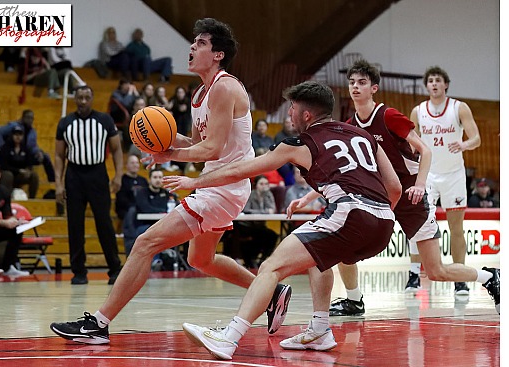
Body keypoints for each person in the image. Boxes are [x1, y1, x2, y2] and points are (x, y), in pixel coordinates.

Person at [50, 18, 292, 344]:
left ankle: (98, 323)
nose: (192, 47)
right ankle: (270, 291)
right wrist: (163, 143)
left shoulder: (225, 86)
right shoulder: (200, 94)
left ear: (218, 54)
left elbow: (214, 147)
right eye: (193, 42)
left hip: (223, 186)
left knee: (144, 243)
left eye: (201, 43)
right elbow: (197, 145)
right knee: (199, 259)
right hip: (216, 182)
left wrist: (173, 157)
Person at [164, 80, 403, 360]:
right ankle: (319, 329)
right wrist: (371, 220)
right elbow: (394, 188)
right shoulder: (361, 135)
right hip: (385, 219)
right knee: (317, 255)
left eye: (292, 108)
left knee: (271, 268)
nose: (289, 114)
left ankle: (229, 337)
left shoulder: (299, 143)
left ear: (306, 115)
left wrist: (196, 181)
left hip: (349, 214)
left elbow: (241, 169)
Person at [299, 60, 499, 323]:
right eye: (352, 83)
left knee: (436, 271)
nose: (355, 87)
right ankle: (354, 299)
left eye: (361, 83)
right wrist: (308, 196)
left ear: (374, 88)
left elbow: (425, 151)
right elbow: (342, 172)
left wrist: (419, 184)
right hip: (379, 198)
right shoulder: (350, 126)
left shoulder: (389, 116)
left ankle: (490, 278)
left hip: (411, 196)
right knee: (345, 244)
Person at [411, 66, 482, 295]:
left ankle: (459, 278)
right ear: (427, 85)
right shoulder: (418, 111)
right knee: (418, 224)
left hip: (454, 175)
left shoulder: (459, 107)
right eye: (430, 80)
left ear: (446, 84)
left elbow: (476, 138)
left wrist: (464, 144)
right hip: (428, 175)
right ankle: (413, 274)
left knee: (456, 228)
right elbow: (412, 144)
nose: (433, 84)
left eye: (438, 80)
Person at [53, 85, 123, 285]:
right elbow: (58, 155)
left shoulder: (104, 120)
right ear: (75, 99)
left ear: (92, 99)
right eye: (80, 97)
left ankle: (115, 268)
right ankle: (79, 272)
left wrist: (118, 175)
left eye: (86, 97)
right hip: (74, 175)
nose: (83, 101)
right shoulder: (65, 123)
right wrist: (58, 184)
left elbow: (117, 150)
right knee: (75, 225)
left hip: (97, 174)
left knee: (104, 224)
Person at [0, 109, 55, 184]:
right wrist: (3, 146)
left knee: (46, 157)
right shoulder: (13, 126)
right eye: (28, 117)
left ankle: (53, 182)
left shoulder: (33, 131)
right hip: (12, 153)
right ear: (22, 117)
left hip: (26, 154)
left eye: (32, 118)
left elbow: (33, 146)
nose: (30, 120)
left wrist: (39, 152)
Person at [130, 168, 180, 261]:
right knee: (152, 233)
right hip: (144, 225)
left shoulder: (167, 193)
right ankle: (155, 260)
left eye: (160, 177)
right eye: (155, 177)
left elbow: (175, 206)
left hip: (164, 225)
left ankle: (173, 260)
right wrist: (162, 212)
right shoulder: (142, 193)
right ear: (150, 179)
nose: (158, 180)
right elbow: (145, 208)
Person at [234, 175, 279, 268]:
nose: (264, 186)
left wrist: (266, 201)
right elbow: (246, 210)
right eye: (261, 184)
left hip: (260, 225)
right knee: (260, 236)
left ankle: (262, 260)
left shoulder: (268, 194)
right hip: (247, 225)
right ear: (256, 185)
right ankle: (250, 260)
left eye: (266, 184)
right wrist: (265, 212)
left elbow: (273, 209)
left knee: (273, 236)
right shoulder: (251, 194)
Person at [0, 124, 40, 199]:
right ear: (12, 135)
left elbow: (30, 162)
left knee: (34, 176)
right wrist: (18, 170)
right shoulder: (5, 148)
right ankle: (6, 198)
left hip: (20, 175)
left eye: (20, 134)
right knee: (8, 175)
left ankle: (32, 199)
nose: (18, 136)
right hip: (7, 173)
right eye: (16, 134)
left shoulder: (26, 148)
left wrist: (28, 170)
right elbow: (2, 165)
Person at [115, 154, 148, 222]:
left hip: (142, 209)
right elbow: (121, 199)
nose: (135, 165)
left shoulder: (143, 180)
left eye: (136, 163)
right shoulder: (121, 180)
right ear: (126, 165)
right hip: (126, 210)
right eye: (132, 163)